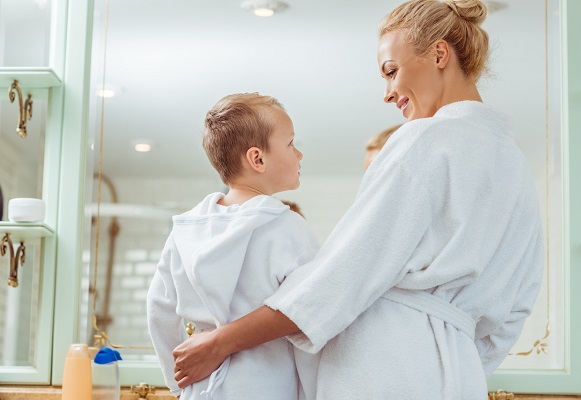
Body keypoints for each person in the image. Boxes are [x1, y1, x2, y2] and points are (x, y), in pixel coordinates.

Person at [172, 1, 545, 398]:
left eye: (391, 71)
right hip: (459, 377)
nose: (387, 93)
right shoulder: (515, 166)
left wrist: (221, 341)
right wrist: (455, 362)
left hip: (384, 370)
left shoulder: (425, 141)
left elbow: (342, 275)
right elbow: (515, 311)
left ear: (439, 54)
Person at [147, 93, 320, 400]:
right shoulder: (288, 227)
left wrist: (178, 382)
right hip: (268, 387)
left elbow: (158, 308)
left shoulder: (186, 231)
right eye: (291, 144)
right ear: (258, 159)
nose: (300, 154)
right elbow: (312, 310)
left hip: (202, 386)